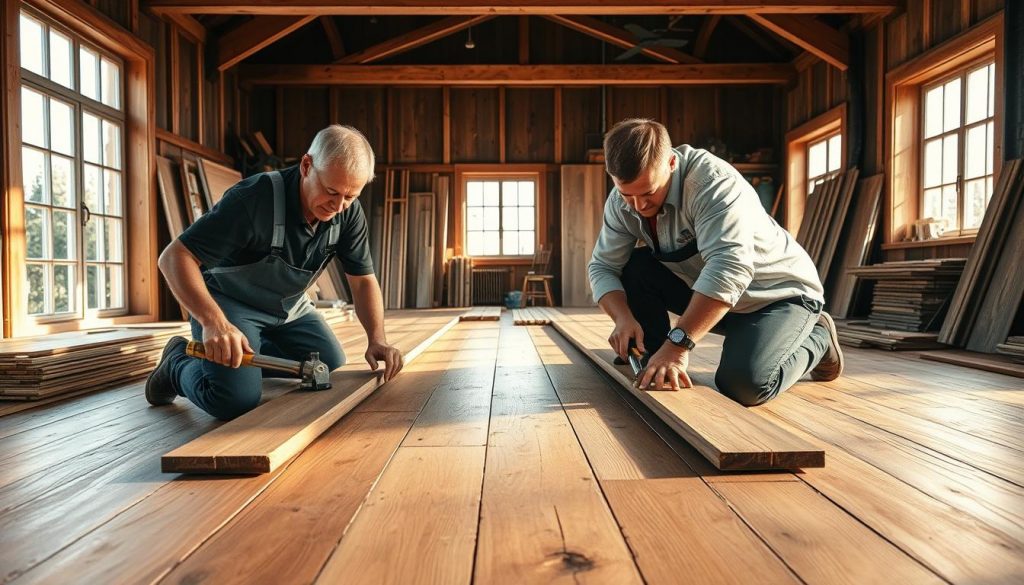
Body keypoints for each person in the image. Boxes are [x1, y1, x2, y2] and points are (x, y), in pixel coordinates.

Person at [145, 125, 403, 420]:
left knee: (327, 363)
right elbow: (173, 257)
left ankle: (244, 361)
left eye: (350, 196)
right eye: (331, 191)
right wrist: (214, 323)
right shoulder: (253, 199)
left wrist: (377, 339)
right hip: (231, 305)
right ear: (306, 166)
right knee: (234, 400)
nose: (338, 205)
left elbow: (363, 281)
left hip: (288, 307)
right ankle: (177, 362)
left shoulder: (347, 213)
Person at [588, 118, 844, 406]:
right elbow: (602, 267)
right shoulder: (621, 202)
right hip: (718, 298)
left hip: (776, 296)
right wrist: (622, 318)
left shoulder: (712, 184)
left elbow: (728, 268)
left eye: (648, 192)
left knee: (746, 385)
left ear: (671, 163)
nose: (639, 206)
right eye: (627, 195)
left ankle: (819, 336)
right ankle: (654, 354)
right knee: (635, 267)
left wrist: (678, 346)